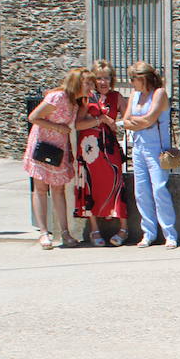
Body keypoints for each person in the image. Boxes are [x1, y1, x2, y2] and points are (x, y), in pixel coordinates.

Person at [23, 68, 87, 250]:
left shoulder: (76, 102)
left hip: (60, 147)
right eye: (87, 83)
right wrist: (57, 128)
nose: (91, 86)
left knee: (58, 190)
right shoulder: (57, 97)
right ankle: (44, 233)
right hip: (43, 144)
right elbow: (34, 117)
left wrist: (69, 148)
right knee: (41, 188)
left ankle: (64, 232)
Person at [122, 60, 178, 248]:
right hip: (138, 146)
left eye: (134, 78)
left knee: (159, 189)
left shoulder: (159, 93)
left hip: (157, 148)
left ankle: (170, 233)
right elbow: (126, 120)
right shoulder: (134, 95)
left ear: (143, 78)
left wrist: (138, 122)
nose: (131, 82)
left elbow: (150, 118)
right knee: (141, 191)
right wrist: (142, 122)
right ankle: (148, 232)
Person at [75, 62, 128, 246]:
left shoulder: (116, 97)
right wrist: (101, 119)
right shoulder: (87, 99)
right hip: (89, 149)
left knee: (116, 182)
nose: (102, 81)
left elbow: (128, 118)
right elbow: (78, 124)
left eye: (106, 77)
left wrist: (117, 124)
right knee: (91, 186)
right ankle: (94, 229)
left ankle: (123, 228)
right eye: (98, 77)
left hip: (109, 147)